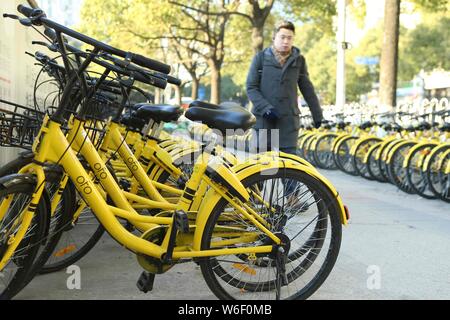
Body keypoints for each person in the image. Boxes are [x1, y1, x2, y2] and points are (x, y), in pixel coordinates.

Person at [246, 20, 323, 156]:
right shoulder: (261, 58)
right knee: (261, 170)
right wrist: (266, 108)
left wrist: (317, 114)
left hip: (288, 123)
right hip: (264, 122)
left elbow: (307, 89)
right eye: (282, 37)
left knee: (289, 168)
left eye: (289, 38)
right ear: (274, 37)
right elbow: (251, 87)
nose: (286, 41)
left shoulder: (299, 60)